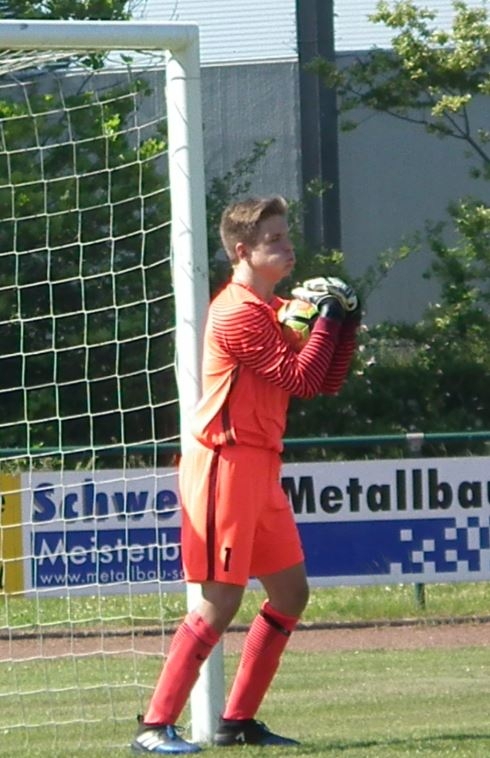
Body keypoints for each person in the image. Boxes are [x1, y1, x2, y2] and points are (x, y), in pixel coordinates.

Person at [131, 196, 360, 754]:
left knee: (291, 593)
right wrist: (327, 320)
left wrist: (346, 323)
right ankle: (154, 727)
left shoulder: (275, 308)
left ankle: (236, 721)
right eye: (274, 240)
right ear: (242, 251)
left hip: (260, 465)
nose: (288, 247)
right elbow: (300, 379)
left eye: (286, 236)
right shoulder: (236, 310)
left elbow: (325, 381)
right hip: (224, 463)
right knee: (219, 602)